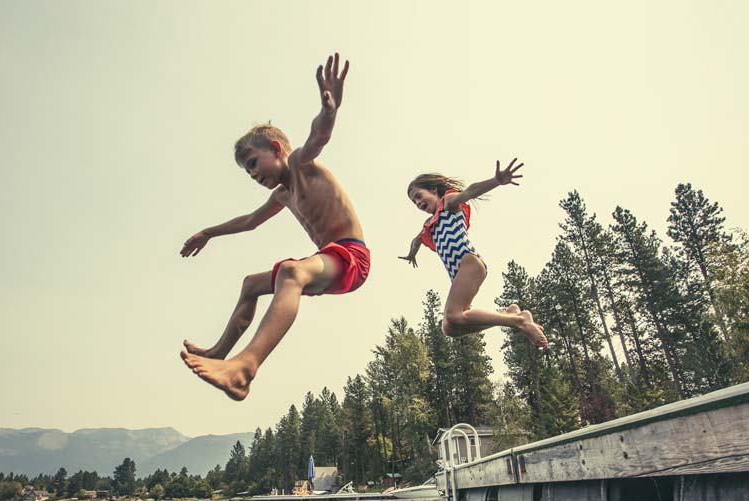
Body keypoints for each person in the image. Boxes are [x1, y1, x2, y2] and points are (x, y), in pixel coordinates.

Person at [179, 53, 369, 401]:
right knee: (250, 285)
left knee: (291, 273)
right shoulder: (283, 194)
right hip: (327, 258)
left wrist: (330, 110)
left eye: (254, 164)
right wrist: (208, 232)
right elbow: (249, 221)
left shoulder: (300, 164)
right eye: (248, 173)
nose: (253, 175)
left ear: (276, 149)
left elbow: (318, 137)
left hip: (351, 256)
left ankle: (244, 368)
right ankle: (220, 353)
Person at [399, 160, 548, 348]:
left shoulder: (448, 204)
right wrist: (411, 253)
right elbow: (417, 240)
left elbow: (470, 191)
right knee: (450, 327)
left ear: (434, 190)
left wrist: (496, 181)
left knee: (453, 315)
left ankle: (520, 321)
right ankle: (509, 315)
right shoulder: (429, 224)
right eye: (414, 202)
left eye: (419, 196)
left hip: (468, 261)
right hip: (460, 272)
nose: (418, 203)